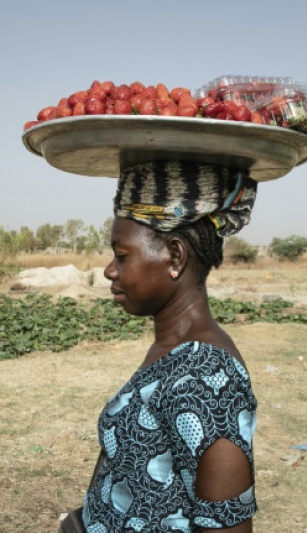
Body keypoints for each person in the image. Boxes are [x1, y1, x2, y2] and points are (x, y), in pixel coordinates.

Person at [63, 161, 259, 533]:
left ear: (175, 256)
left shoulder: (207, 377)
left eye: (122, 256)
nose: (109, 270)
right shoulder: (171, 347)